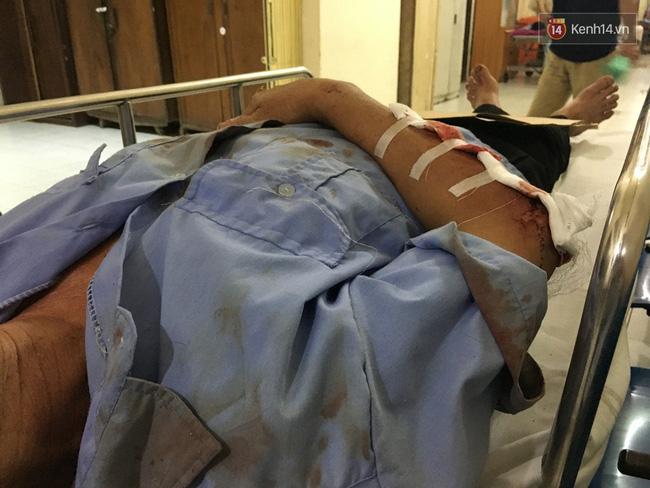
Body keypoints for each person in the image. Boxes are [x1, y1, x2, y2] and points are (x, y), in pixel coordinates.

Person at [0, 74, 605, 487]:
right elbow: (520, 235)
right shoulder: (274, 425)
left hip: (271, 137)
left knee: (448, 118)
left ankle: (495, 108)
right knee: (527, 144)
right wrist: (332, 98)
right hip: (434, 176)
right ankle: (559, 121)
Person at [527, 0, 639, 117]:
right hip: (557, 54)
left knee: (585, 121)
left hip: (594, 57)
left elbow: (627, 2)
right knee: (536, 118)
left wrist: (630, 39)